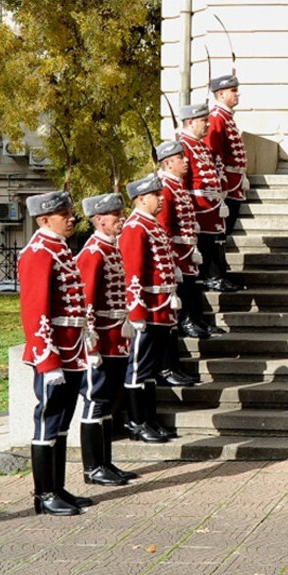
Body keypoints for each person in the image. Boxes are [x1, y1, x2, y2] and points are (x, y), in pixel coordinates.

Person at [19, 190, 97, 516]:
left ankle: (58, 486)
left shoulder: (60, 249)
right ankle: (44, 493)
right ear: (43, 219)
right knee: (47, 421)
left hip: (72, 348)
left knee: (63, 422)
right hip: (54, 352)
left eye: (70, 212)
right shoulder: (38, 252)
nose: (71, 218)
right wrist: (47, 360)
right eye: (63, 213)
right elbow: (35, 311)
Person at [76, 192, 141, 488]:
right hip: (101, 338)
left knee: (109, 402)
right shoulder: (93, 252)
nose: (121, 219)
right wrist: (90, 345)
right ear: (100, 219)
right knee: (95, 401)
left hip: (117, 335)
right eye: (116, 216)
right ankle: (93, 468)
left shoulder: (111, 249)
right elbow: (86, 301)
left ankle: (106, 461)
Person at [119, 174, 181, 444]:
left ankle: (150, 419)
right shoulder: (135, 227)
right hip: (147, 308)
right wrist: (136, 313)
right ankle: (136, 422)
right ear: (141, 199)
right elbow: (132, 273)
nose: (161, 199)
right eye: (156, 195)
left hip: (161, 307)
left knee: (150, 369)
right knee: (137, 368)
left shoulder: (151, 225)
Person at [178, 101, 237, 296]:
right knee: (202, 250)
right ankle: (209, 277)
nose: (208, 124)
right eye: (204, 121)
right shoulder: (183, 146)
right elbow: (183, 184)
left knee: (213, 242)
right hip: (199, 208)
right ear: (191, 122)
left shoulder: (201, 146)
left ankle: (215, 275)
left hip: (212, 207)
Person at [157, 140, 211, 347]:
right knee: (184, 290)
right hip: (178, 250)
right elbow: (165, 225)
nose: (186, 161)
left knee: (191, 287)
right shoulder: (166, 187)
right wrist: (173, 257)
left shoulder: (177, 185)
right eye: (180, 158)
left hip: (188, 248)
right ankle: (187, 320)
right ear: (168, 163)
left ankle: (195, 319)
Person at [206, 72, 248, 283]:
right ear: (221, 94)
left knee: (225, 230)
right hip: (227, 184)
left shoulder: (226, 118)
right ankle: (215, 274)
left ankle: (220, 272)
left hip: (235, 183)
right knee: (219, 231)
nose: (237, 94)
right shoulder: (216, 118)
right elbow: (215, 154)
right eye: (233, 90)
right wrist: (221, 185)